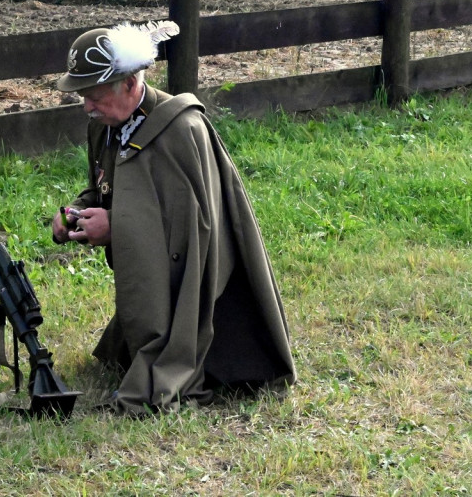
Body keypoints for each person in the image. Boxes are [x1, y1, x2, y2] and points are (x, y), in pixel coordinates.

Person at [51, 20, 297, 415]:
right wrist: (75, 213)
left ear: (130, 84)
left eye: (94, 96)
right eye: (83, 96)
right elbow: (106, 186)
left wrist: (117, 226)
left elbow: (194, 230)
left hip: (202, 288)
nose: (86, 106)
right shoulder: (104, 125)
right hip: (157, 274)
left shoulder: (181, 128)